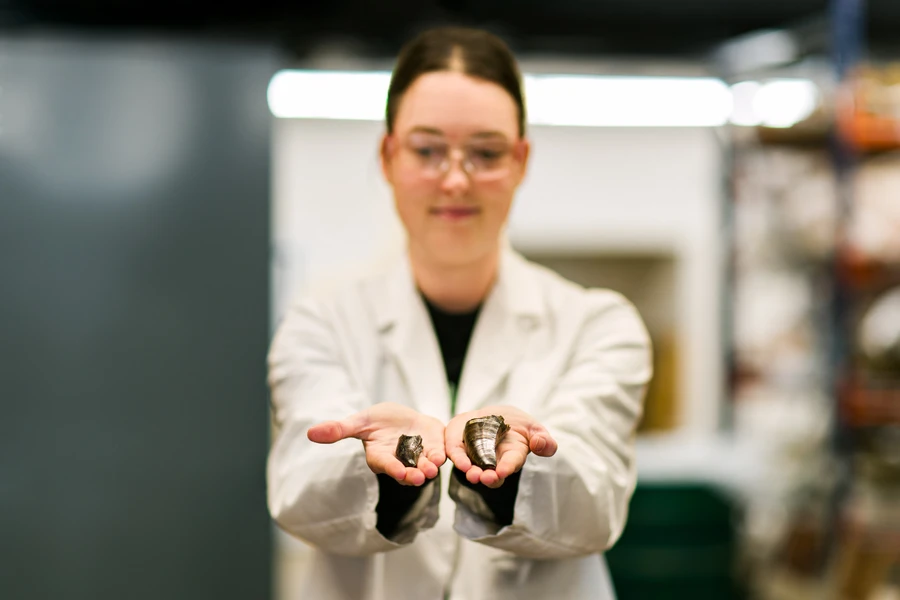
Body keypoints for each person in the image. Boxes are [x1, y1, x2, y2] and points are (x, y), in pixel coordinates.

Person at [266, 26, 653, 600]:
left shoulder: (599, 326)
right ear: (388, 156)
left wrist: (504, 475)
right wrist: (390, 475)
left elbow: (592, 503)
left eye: (486, 153)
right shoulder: (320, 320)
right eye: (427, 150)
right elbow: (302, 495)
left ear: (520, 161)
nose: (455, 178)